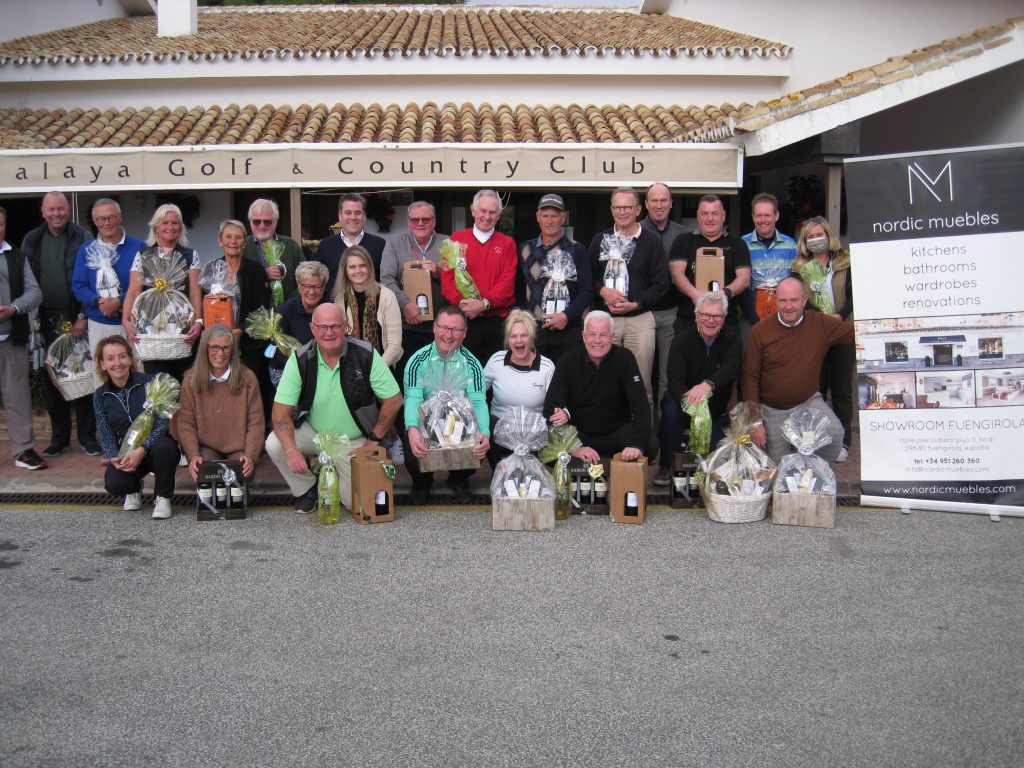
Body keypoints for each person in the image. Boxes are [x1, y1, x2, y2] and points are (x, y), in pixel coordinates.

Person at [266, 303, 403, 513]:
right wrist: (291, 451)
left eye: (335, 326)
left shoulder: (365, 354)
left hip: (354, 440)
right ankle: (307, 488)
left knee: (357, 504)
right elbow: (280, 411)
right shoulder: (300, 358)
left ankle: (329, 472)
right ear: (312, 329)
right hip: (315, 434)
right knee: (275, 444)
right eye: (322, 327)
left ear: (345, 327)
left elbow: (394, 400)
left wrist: (373, 440)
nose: (329, 332)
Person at [742, 276, 854, 464]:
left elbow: (856, 333)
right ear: (775, 300)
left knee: (835, 433)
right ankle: (795, 472)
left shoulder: (820, 324)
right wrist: (755, 422)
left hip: (808, 402)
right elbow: (749, 377)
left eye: (794, 300)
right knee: (779, 466)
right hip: (773, 409)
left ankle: (814, 471)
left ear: (804, 300)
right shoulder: (760, 331)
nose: (788, 306)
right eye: (783, 300)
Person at [22, 191, 99, 457]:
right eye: (52, 209)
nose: (57, 214)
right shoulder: (32, 239)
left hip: (76, 317)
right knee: (52, 380)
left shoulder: (82, 236)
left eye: (61, 209)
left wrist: (83, 315)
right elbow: (26, 279)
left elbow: (91, 278)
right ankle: (59, 438)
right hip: (43, 321)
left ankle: (87, 437)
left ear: (68, 210)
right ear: (43, 212)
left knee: (83, 376)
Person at [588, 187, 668, 410]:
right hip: (605, 321)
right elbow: (588, 278)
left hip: (639, 320)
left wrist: (637, 303)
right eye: (618, 207)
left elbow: (661, 283)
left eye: (627, 207)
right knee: (603, 381)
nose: (622, 212)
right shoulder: (600, 240)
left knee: (640, 382)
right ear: (611, 210)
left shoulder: (651, 241)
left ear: (638, 210)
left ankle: (643, 431)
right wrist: (603, 292)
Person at [402, 306, 490, 506]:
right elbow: (413, 398)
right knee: (410, 434)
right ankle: (422, 482)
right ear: (434, 328)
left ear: (465, 333)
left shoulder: (472, 364)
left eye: (456, 330)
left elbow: (478, 401)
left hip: (459, 422)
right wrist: (412, 428)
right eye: (443, 328)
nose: (448, 335)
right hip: (427, 419)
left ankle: (458, 479)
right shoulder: (417, 360)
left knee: (479, 439)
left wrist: (484, 433)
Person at [653, 291, 741, 485]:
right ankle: (666, 465)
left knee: (711, 458)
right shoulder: (681, 339)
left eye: (717, 316)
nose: (711, 320)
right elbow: (674, 380)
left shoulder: (732, 339)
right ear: (697, 315)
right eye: (706, 315)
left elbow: (731, 368)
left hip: (715, 405)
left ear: (724, 318)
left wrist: (708, 384)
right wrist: (691, 402)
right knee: (670, 411)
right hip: (683, 400)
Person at [544, 311, 655, 464]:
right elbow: (551, 409)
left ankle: (614, 461)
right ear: (584, 336)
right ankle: (583, 459)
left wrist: (636, 446)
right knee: (547, 446)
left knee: (650, 444)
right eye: (592, 334)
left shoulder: (625, 358)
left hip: (616, 432)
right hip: (579, 434)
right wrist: (574, 447)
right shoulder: (567, 361)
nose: (597, 340)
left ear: (612, 336)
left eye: (603, 335)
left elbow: (640, 406)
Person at [93, 335, 181, 519]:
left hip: (154, 448)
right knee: (114, 484)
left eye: (122, 356)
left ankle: (163, 497)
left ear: (130, 359)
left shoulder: (150, 383)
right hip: (126, 453)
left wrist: (143, 449)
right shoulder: (100, 395)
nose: (118, 363)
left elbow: (162, 424)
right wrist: (114, 457)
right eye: (110, 358)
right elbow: (106, 432)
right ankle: (133, 490)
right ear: (103, 364)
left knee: (166, 448)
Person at [792, 215, 855, 462]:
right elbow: (800, 299)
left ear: (828, 236)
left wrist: (839, 316)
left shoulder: (845, 261)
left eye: (820, 235)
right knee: (815, 389)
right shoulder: (799, 267)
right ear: (804, 241)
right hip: (814, 333)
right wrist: (822, 319)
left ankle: (844, 441)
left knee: (841, 390)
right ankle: (816, 439)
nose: (816, 239)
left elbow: (854, 294)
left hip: (842, 330)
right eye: (811, 237)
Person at [200, 220, 273, 422]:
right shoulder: (211, 269)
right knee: (218, 387)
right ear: (220, 241)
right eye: (228, 237)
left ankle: (256, 427)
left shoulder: (255, 270)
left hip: (250, 342)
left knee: (252, 385)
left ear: (244, 242)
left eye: (238, 237)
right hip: (216, 342)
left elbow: (262, 307)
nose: (233, 241)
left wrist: (241, 330)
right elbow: (203, 302)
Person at [121, 203, 203, 382]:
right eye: (165, 223)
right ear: (156, 227)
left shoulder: (190, 255)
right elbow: (134, 291)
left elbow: (195, 291)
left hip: (182, 329)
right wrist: (126, 320)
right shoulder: (143, 255)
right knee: (156, 382)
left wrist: (198, 321)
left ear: (180, 227)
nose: (170, 227)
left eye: (175, 223)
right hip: (151, 331)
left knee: (186, 380)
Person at [173, 324, 264, 481]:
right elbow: (186, 423)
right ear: (205, 349)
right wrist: (193, 456)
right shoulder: (190, 380)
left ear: (232, 351)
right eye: (214, 347)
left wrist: (250, 456)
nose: (220, 353)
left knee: (241, 472)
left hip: (239, 446)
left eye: (226, 348)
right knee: (204, 471)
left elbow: (256, 422)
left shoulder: (248, 378)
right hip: (206, 445)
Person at [71, 198, 146, 378]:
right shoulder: (86, 249)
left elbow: (144, 284)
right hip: (100, 322)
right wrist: (99, 301)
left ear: (120, 217)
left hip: (132, 323)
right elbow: (79, 285)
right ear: (95, 222)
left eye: (111, 217)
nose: (107, 223)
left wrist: (119, 302)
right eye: (101, 219)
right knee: (103, 376)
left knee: (137, 372)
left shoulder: (139, 246)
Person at [442, 190, 517, 365]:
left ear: (499, 215)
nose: (487, 216)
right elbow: (447, 278)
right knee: (463, 370)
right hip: (464, 319)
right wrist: (461, 302)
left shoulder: (507, 244)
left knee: (497, 370)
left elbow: (507, 282)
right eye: (483, 210)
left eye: (492, 212)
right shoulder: (456, 239)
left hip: (497, 321)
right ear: (473, 210)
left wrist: (484, 304)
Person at [515, 193, 592, 363]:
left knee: (567, 375)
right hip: (534, 330)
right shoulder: (524, 249)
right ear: (538, 218)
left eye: (554, 216)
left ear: (563, 218)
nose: (549, 221)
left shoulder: (577, 250)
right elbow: (518, 290)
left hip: (568, 329)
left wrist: (567, 315)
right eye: (545, 216)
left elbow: (587, 291)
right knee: (535, 375)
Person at [379, 201, 449, 377]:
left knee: (440, 378)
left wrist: (438, 273)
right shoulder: (395, 243)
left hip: (442, 328)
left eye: (426, 219)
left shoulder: (448, 243)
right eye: (415, 219)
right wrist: (405, 304)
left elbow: (459, 279)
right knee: (409, 376)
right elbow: (386, 279)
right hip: (406, 327)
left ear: (434, 221)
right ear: (408, 222)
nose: (420, 223)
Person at [1, 205, 46, 470]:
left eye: (0, 224)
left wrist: (14, 308)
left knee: (17, 398)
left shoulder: (16, 257)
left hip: (10, 337)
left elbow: (34, 292)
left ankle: (23, 450)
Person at [483, 309, 555, 467]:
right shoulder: (496, 360)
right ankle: (498, 471)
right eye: (513, 336)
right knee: (484, 424)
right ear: (507, 340)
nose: (519, 341)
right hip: (499, 431)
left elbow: (557, 403)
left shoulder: (547, 366)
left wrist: (564, 413)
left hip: (533, 434)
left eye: (524, 335)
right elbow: (477, 391)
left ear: (532, 337)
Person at [669, 194, 751, 331]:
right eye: (705, 213)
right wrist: (694, 294)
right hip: (689, 319)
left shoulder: (738, 244)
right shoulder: (683, 241)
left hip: (727, 320)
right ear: (698, 216)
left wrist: (724, 293)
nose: (710, 218)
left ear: (723, 216)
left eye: (715, 213)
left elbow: (744, 278)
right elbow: (676, 275)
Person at [640, 183, 687, 414]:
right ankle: (644, 428)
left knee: (669, 376)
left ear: (671, 203)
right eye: (654, 201)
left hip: (671, 313)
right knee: (642, 375)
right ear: (646, 204)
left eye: (663, 200)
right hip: (641, 313)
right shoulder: (635, 231)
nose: (659, 205)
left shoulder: (682, 234)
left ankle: (665, 427)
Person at [332, 245, 402, 369]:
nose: (358, 271)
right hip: (352, 369)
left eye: (362, 265)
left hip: (383, 368)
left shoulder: (387, 296)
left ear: (369, 267)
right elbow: (338, 339)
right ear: (345, 270)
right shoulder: (340, 299)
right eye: (352, 267)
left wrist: (374, 371)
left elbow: (394, 346)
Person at [741, 192, 797, 325]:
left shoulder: (790, 244)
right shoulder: (742, 244)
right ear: (753, 217)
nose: (763, 220)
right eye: (759, 215)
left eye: (767, 215)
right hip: (751, 313)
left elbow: (795, 280)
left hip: (784, 313)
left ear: (776, 216)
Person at [270, 260, 330, 383]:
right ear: (299, 286)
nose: (312, 292)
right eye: (307, 286)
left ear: (324, 287)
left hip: (321, 369)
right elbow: (277, 350)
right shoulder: (285, 311)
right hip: (287, 370)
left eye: (317, 287)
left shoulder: (329, 309)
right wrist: (300, 370)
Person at [316, 193, 387, 288]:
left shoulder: (380, 245)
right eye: (348, 213)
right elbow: (320, 283)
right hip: (335, 298)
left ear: (364, 216)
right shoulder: (325, 246)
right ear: (340, 216)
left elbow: (385, 281)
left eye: (357, 213)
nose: (353, 217)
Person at [244, 198, 302, 302]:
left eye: (267, 222)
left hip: (288, 309)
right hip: (254, 310)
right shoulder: (242, 246)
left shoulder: (290, 245)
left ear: (275, 222)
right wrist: (262, 275)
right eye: (257, 222)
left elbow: (305, 278)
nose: (262, 226)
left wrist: (291, 304)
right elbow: (237, 282)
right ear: (250, 222)